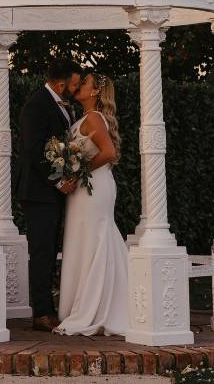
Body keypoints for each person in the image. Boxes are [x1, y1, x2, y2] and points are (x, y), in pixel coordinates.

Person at [55, 71, 129, 336]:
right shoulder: (85, 118)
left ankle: (97, 307)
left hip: (94, 188)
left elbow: (109, 153)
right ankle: (88, 303)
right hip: (86, 188)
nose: (78, 86)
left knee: (95, 240)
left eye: (84, 83)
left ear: (96, 91)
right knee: (86, 240)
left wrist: (77, 172)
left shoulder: (95, 118)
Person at [15, 58, 82, 332]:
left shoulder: (64, 105)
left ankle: (50, 308)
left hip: (52, 191)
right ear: (61, 83)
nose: (76, 89)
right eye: (75, 84)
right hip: (39, 191)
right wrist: (57, 181)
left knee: (51, 249)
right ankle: (40, 312)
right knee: (42, 251)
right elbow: (33, 149)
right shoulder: (37, 104)